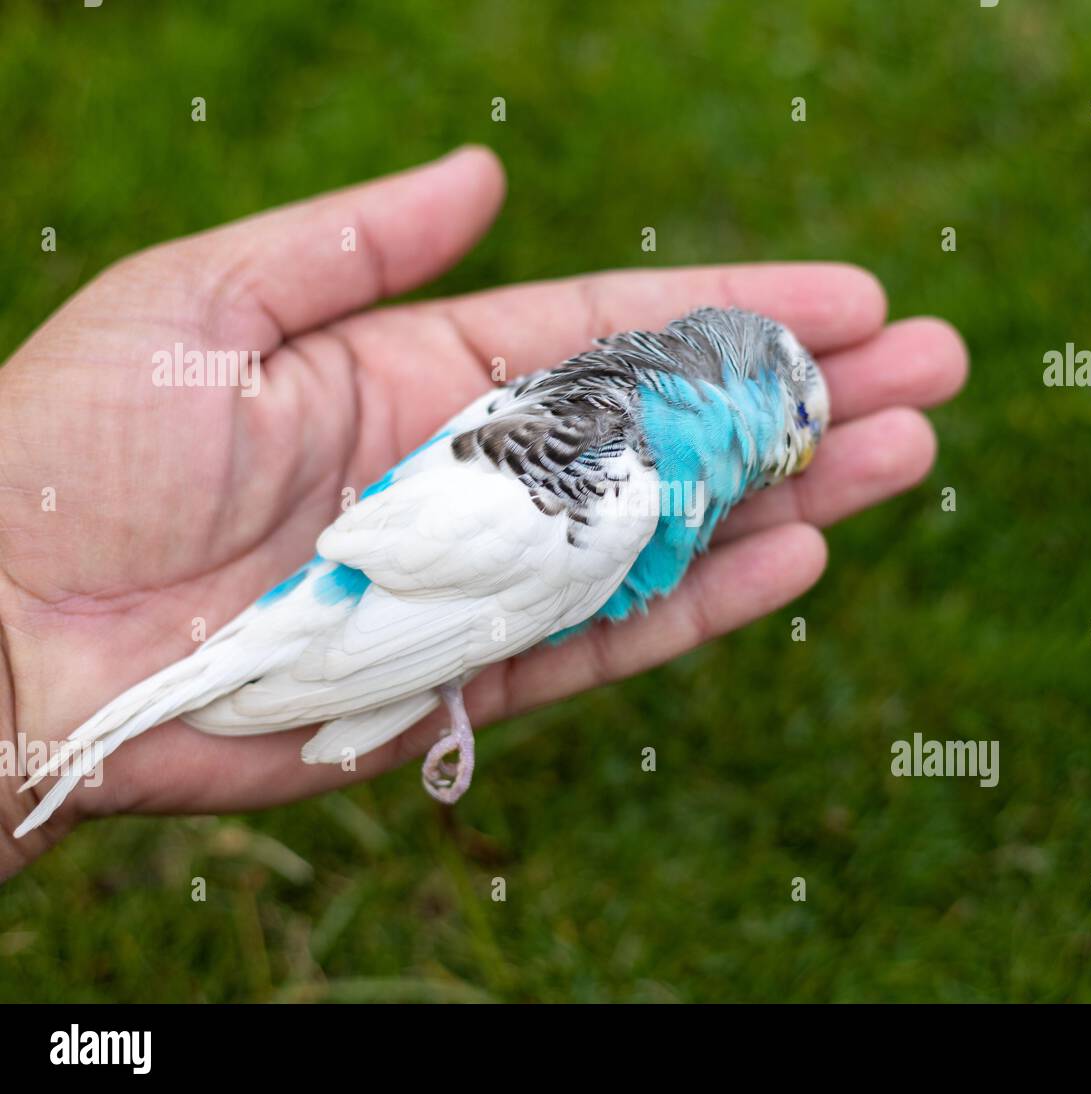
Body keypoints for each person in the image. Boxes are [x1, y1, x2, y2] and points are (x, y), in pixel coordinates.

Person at [0, 146, 967, 880]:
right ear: (749, 386)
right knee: (228, 670)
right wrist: (427, 678)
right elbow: (463, 602)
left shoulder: (619, 408)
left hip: (414, 557)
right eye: (799, 420)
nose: (797, 454)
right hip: (385, 588)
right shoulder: (624, 475)